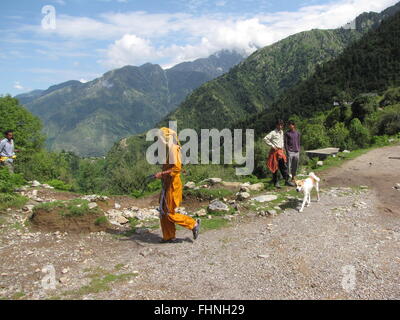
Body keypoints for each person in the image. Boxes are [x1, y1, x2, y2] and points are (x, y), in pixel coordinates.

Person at [155, 127, 201, 243]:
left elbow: (176, 168)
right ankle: (168, 236)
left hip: (173, 186)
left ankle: (193, 224)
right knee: (164, 212)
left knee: (170, 213)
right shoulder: (170, 149)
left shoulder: (174, 149)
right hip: (167, 184)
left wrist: (162, 173)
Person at [264, 120, 295, 189]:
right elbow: (265, 139)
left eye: (281, 125)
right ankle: (276, 182)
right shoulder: (273, 132)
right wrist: (272, 145)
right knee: (275, 167)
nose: (280, 126)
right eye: (279, 125)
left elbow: (282, 141)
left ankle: (286, 181)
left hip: (280, 151)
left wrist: (283, 148)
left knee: (283, 166)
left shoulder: (282, 132)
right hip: (275, 151)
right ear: (276, 125)